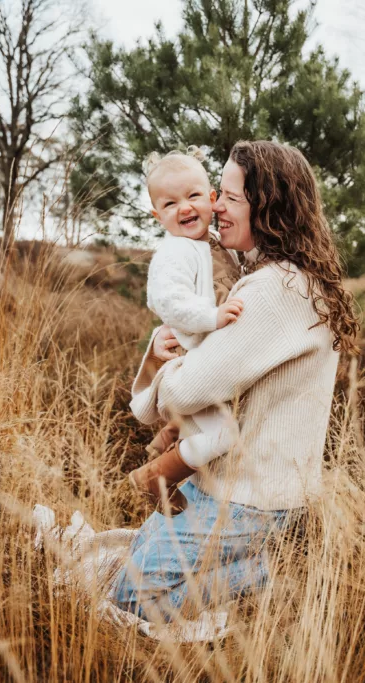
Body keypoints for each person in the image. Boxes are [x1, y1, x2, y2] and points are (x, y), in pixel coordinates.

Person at [110, 140, 359, 623]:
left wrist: (169, 366)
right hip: (246, 485)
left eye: (228, 196)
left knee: (130, 597)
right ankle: (261, 571)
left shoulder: (274, 290)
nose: (215, 208)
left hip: (248, 496)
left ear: (265, 206)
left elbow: (183, 392)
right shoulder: (295, 279)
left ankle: (270, 575)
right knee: (131, 556)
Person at [127, 148, 244, 512]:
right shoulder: (175, 252)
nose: (184, 208)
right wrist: (211, 317)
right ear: (157, 215)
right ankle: (153, 477)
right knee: (224, 433)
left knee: (212, 416)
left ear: (212, 199)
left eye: (193, 196)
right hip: (194, 355)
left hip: (211, 353)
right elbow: (168, 299)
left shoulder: (215, 245)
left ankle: (164, 443)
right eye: (170, 203)